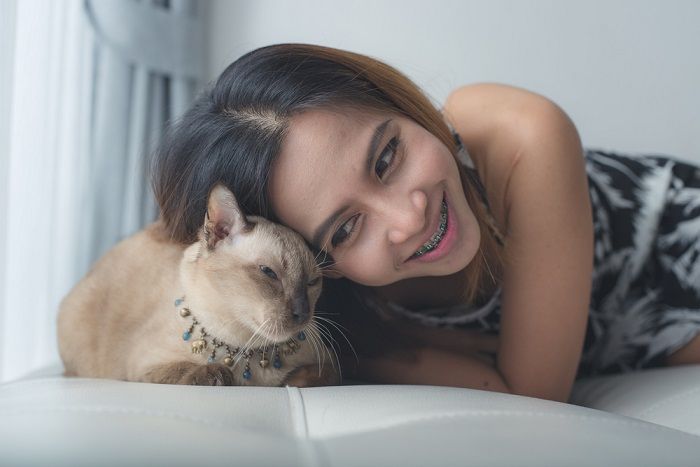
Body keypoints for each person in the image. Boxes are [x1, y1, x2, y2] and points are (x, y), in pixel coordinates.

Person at [152, 43, 700, 403]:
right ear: (313, 261)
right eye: (344, 230)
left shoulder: (522, 135)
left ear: (395, 100)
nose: (409, 216)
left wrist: (379, 353)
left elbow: (532, 397)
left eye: (387, 157)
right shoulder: (317, 305)